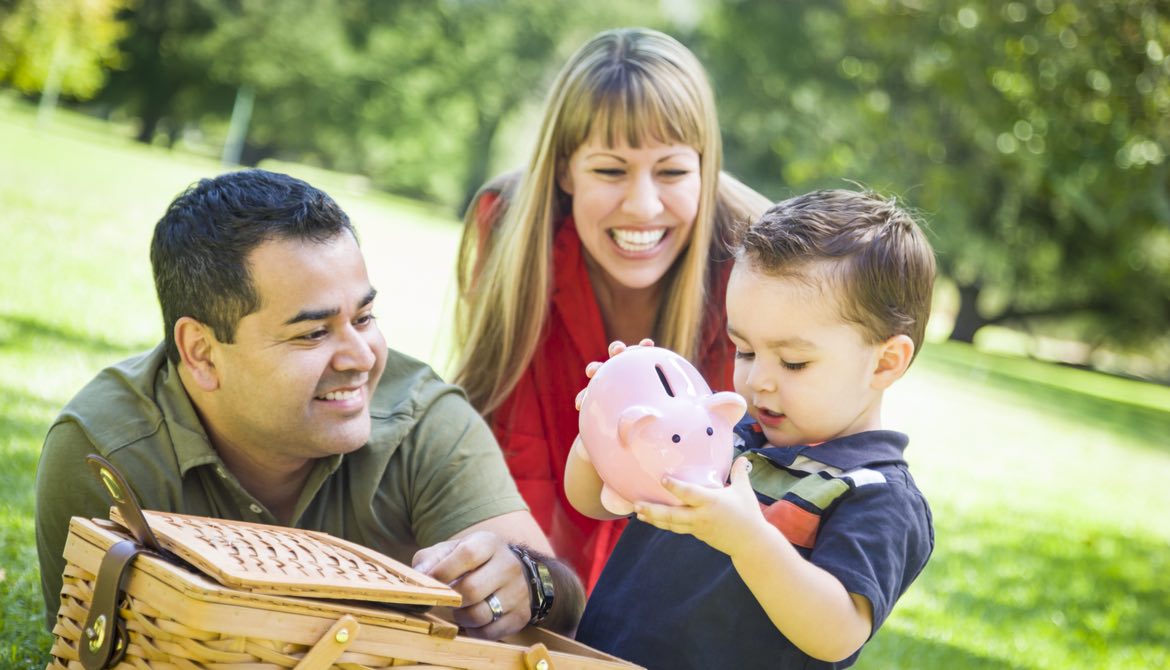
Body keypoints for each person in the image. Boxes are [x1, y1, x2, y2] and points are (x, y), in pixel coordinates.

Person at [35, 169, 583, 639]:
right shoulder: (105, 451)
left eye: (364, 318)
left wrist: (527, 583)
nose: (360, 357)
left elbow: (562, 600)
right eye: (314, 333)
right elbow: (95, 647)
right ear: (201, 352)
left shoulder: (423, 420)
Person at [452, 27, 770, 589]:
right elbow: (508, 434)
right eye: (610, 170)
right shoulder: (510, 225)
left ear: (706, 167)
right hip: (533, 551)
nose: (643, 205)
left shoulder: (755, 258)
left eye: (672, 171)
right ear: (564, 169)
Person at [567, 189, 937, 668]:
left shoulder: (874, 494)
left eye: (793, 361)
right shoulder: (724, 436)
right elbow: (592, 500)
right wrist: (600, 431)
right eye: (744, 350)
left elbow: (838, 633)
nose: (757, 379)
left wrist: (748, 540)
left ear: (885, 363)